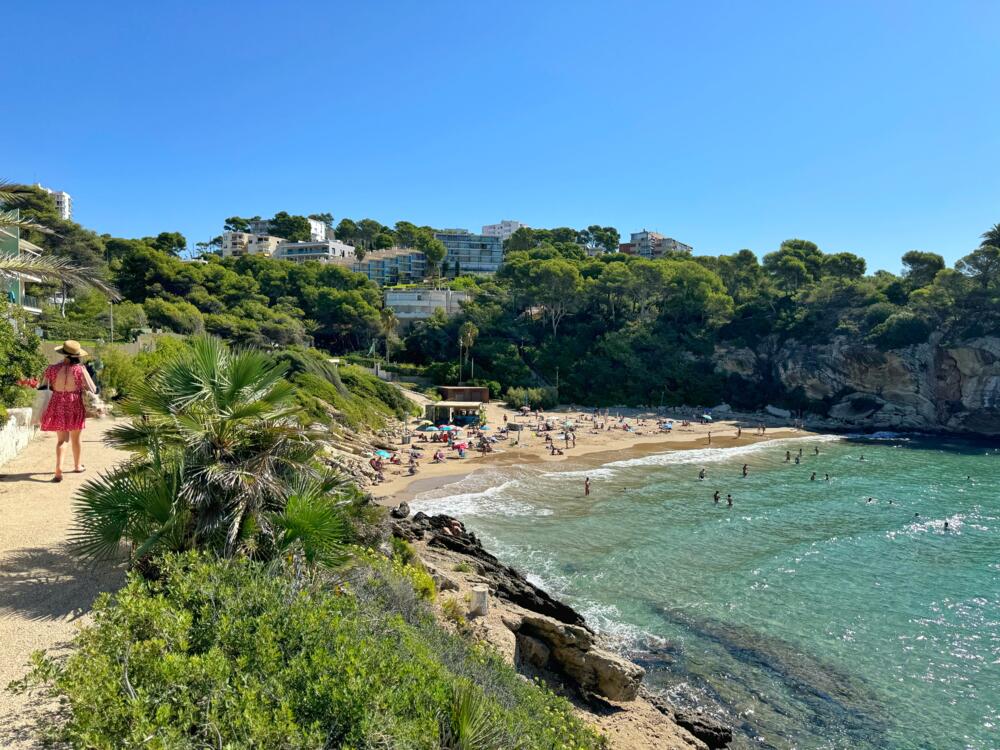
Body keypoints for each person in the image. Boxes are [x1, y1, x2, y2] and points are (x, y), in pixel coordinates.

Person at [39, 340, 97, 482]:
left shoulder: (51, 369)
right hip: (74, 403)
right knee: (76, 439)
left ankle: (58, 468)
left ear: (63, 353)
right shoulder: (80, 369)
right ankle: (77, 465)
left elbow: (42, 386)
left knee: (62, 440)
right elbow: (93, 389)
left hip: (57, 403)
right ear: (77, 355)